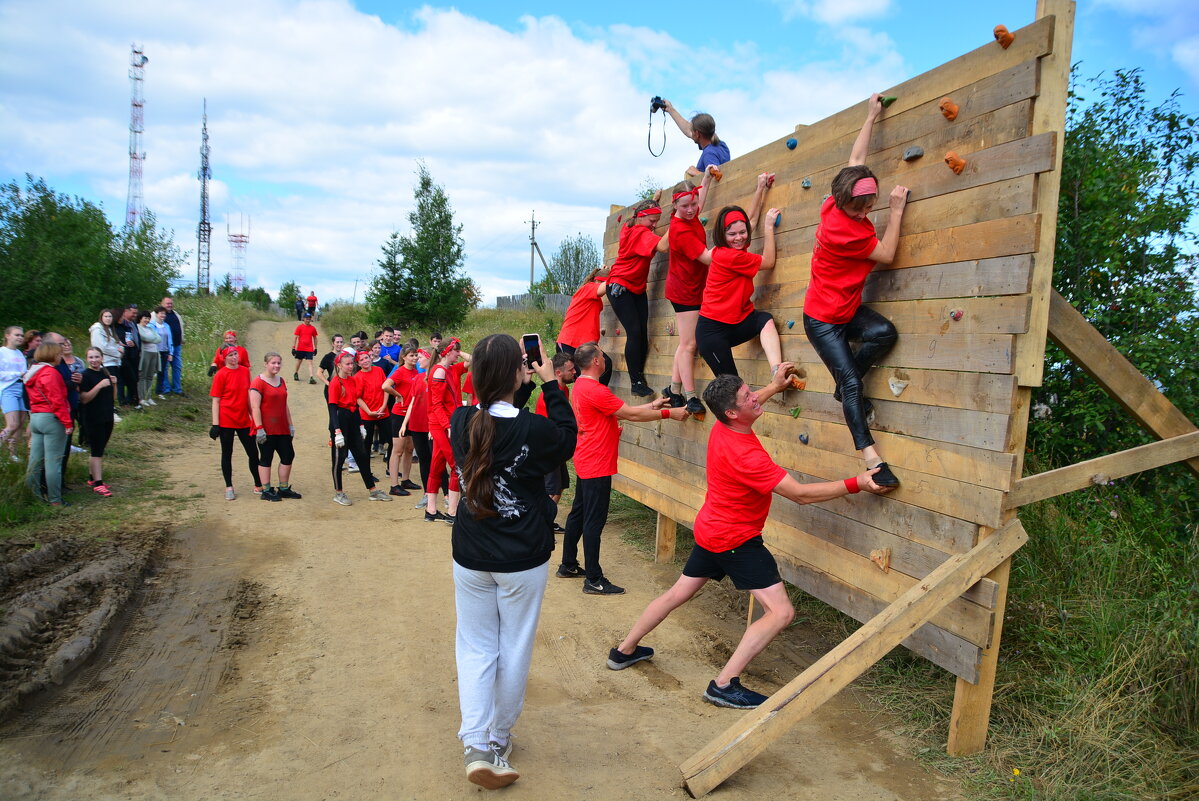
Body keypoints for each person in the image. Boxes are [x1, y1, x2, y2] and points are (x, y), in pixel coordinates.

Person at [607, 367, 893, 708]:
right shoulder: (747, 454)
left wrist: (773, 385)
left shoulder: (722, 425)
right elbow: (799, 494)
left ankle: (624, 651)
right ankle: (724, 684)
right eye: (747, 397)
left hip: (711, 528)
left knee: (677, 593)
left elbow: (745, 405)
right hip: (735, 540)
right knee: (781, 613)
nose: (754, 397)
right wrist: (857, 483)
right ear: (731, 411)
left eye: (750, 391)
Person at [449, 333, 576, 789]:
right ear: (517, 373)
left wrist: (515, 379)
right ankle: (498, 738)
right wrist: (550, 383)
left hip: (471, 553)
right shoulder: (535, 430)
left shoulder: (460, 419)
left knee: (477, 647)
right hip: (521, 557)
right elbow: (565, 440)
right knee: (513, 647)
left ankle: (475, 743)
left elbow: (496, 414)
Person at [804, 93, 908, 487]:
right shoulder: (842, 230)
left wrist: (871, 115)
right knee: (851, 384)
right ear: (844, 203)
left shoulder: (834, 200)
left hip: (846, 310)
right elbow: (887, 253)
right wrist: (896, 211)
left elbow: (855, 161)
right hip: (822, 321)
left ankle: (845, 383)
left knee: (885, 333)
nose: (865, 214)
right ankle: (873, 462)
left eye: (871, 206)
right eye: (859, 209)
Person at [558, 342, 689, 594]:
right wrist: (669, 415)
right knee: (594, 522)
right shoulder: (595, 389)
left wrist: (652, 406)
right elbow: (630, 415)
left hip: (587, 458)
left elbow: (620, 412)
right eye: (602, 356)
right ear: (596, 361)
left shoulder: (582, 387)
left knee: (578, 513)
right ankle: (593, 580)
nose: (605, 359)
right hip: (597, 462)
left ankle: (568, 565)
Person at [695, 174, 783, 379]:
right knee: (734, 390)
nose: (739, 238)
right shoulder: (730, 256)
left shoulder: (725, 247)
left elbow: (749, 221)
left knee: (764, 320)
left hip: (734, 324)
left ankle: (777, 370)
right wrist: (769, 227)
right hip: (712, 333)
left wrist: (760, 187)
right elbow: (769, 261)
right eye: (732, 235)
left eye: (741, 232)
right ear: (722, 235)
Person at [663, 167, 718, 415]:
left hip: (694, 286)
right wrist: (732, 251)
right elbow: (707, 258)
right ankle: (690, 396)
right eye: (685, 206)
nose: (691, 209)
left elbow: (700, 199)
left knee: (685, 343)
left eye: (693, 204)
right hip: (684, 291)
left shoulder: (691, 215)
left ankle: (673, 389)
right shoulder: (679, 229)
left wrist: (705, 177)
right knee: (689, 344)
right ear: (675, 206)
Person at [608, 200, 669, 397]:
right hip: (620, 286)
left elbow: (643, 212)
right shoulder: (639, 233)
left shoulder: (630, 226)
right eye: (652, 220)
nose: (654, 225)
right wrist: (677, 219)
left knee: (642, 333)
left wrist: (656, 199)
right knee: (634, 332)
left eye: (657, 221)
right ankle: (635, 382)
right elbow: (663, 246)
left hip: (636, 288)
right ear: (641, 217)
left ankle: (639, 378)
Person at [327, 351, 392, 505]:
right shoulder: (336, 382)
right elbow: (332, 408)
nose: (351, 367)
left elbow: (355, 405)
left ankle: (372, 489)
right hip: (340, 420)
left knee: (362, 455)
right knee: (339, 458)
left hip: (353, 419)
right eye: (347, 364)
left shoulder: (352, 380)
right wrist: (337, 431)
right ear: (339, 365)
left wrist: (361, 425)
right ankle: (339, 492)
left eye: (352, 364)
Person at [423, 338, 470, 523]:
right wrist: (447, 426)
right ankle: (452, 511)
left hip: (445, 423)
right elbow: (436, 404)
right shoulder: (440, 371)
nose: (458, 354)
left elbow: (473, 359)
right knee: (456, 465)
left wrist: (457, 351)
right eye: (455, 351)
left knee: (437, 465)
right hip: (443, 424)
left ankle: (431, 509)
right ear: (447, 352)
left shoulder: (449, 369)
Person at [23, 340, 72, 507]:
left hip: (36, 417)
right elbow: (57, 400)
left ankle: (33, 497)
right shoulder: (51, 373)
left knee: (35, 461)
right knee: (53, 461)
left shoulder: (33, 372)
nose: (60, 356)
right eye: (58, 353)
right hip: (51, 419)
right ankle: (55, 500)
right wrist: (67, 422)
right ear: (52, 355)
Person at [209, 345, 260, 501]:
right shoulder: (221, 374)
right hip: (226, 419)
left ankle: (258, 483)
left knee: (253, 452)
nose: (234, 357)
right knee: (227, 453)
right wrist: (215, 424)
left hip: (243, 418)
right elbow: (216, 401)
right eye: (230, 355)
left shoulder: (245, 371)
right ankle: (229, 486)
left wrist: (254, 417)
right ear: (224, 359)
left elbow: (248, 395)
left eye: (235, 354)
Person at [534, 352, 577, 531]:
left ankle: (546, 521)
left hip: (555, 445)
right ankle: (540, 524)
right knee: (551, 489)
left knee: (559, 487)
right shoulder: (550, 394)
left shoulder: (563, 390)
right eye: (571, 369)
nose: (575, 372)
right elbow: (547, 425)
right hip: (547, 447)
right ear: (558, 373)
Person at [250, 352, 300, 502]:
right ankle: (266, 490)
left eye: (279, 363)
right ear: (266, 364)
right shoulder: (258, 382)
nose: (276, 366)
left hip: (282, 427)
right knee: (266, 457)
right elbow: (255, 407)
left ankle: (283, 488)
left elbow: (284, 405)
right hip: (266, 428)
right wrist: (259, 428)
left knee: (288, 455)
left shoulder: (281, 381)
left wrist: (290, 425)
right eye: (273, 363)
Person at [555, 267, 612, 385]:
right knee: (580, 377)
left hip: (584, 344)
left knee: (605, 365)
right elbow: (605, 287)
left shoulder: (595, 298)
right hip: (570, 341)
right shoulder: (588, 288)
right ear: (597, 281)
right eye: (602, 282)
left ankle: (596, 398)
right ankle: (590, 399)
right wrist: (617, 274)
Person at [382, 345, 421, 496]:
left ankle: (405, 479)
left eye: (416, 355)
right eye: (411, 355)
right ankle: (394, 485)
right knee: (397, 450)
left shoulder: (416, 371)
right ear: (404, 357)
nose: (415, 358)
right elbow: (385, 385)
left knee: (410, 449)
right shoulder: (399, 371)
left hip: (412, 415)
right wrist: (398, 395)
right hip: (400, 414)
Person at [79, 346, 117, 496]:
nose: (94, 360)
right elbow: (84, 399)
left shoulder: (105, 372)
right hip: (93, 417)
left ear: (102, 358)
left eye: (97, 357)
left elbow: (113, 398)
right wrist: (99, 386)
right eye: (91, 357)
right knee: (96, 451)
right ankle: (99, 484)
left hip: (107, 416)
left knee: (100, 448)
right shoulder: (85, 376)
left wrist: (114, 383)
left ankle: (92, 478)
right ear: (86, 359)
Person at [661, 99, 731, 178]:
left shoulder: (709, 153)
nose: (691, 132)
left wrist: (697, 173)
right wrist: (670, 109)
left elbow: (717, 178)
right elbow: (688, 130)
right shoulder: (721, 145)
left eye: (692, 131)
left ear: (697, 134)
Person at [354, 348, 388, 470]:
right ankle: (367, 472)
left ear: (370, 358)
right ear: (358, 364)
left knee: (392, 440)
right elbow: (358, 398)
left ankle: (390, 468)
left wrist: (384, 406)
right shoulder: (358, 377)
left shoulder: (379, 370)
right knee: (366, 444)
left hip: (383, 411)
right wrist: (369, 412)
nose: (365, 361)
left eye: (366, 358)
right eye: (361, 360)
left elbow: (385, 388)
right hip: (367, 414)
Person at [89, 310, 125, 422]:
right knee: (107, 387)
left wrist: (121, 349)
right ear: (101, 317)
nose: (108, 318)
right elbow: (101, 347)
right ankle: (109, 411)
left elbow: (116, 344)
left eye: (110, 316)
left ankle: (111, 408)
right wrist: (117, 352)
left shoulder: (110, 329)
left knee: (113, 386)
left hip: (113, 361)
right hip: (105, 362)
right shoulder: (97, 329)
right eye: (106, 316)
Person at [1, 326, 30, 462]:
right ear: (7, 336)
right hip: (8, 388)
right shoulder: (2, 352)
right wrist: (17, 374)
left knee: (20, 424)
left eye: (21, 335)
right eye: (17, 335)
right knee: (12, 424)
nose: (20, 337)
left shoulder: (19, 353)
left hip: (22, 388)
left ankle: (12, 453)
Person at [136, 309, 161, 407]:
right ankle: (142, 397)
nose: (146, 320)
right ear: (140, 318)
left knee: (150, 376)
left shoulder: (150, 329)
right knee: (143, 376)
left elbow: (159, 338)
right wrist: (152, 339)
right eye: (145, 318)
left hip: (154, 353)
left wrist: (152, 340)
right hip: (145, 353)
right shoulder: (138, 328)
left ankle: (149, 397)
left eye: (148, 318)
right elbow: (144, 338)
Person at [117, 305, 141, 407]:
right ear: (126, 312)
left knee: (134, 378)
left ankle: (130, 399)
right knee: (123, 380)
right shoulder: (119, 326)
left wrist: (135, 344)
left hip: (134, 354)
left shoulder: (132, 324)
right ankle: (123, 401)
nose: (135, 315)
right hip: (124, 356)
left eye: (136, 313)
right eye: (133, 313)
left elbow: (135, 337)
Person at [161, 295, 185, 396]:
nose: (169, 305)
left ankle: (177, 388)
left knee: (177, 367)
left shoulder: (176, 314)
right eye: (167, 303)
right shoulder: (156, 314)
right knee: (165, 368)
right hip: (164, 347)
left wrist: (182, 339)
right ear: (162, 304)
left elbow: (181, 327)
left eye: (171, 303)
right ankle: (166, 389)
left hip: (177, 345)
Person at [150, 305, 173, 400]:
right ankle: (147, 392)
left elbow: (170, 340)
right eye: (161, 313)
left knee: (162, 372)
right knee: (151, 372)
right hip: (154, 352)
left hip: (165, 351)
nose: (163, 315)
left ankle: (159, 391)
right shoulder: (151, 325)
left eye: (164, 313)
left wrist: (171, 353)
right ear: (156, 314)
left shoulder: (167, 325)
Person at [292, 313, 319, 384]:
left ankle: (311, 377)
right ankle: (296, 373)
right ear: (303, 319)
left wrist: (315, 348)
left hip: (309, 348)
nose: (308, 320)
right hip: (300, 348)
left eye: (309, 318)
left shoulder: (312, 328)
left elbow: (315, 338)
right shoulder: (299, 327)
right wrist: (293, 348)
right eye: (307, 318)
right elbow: (295, 337)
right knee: (299, 361)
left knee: (310, 362)